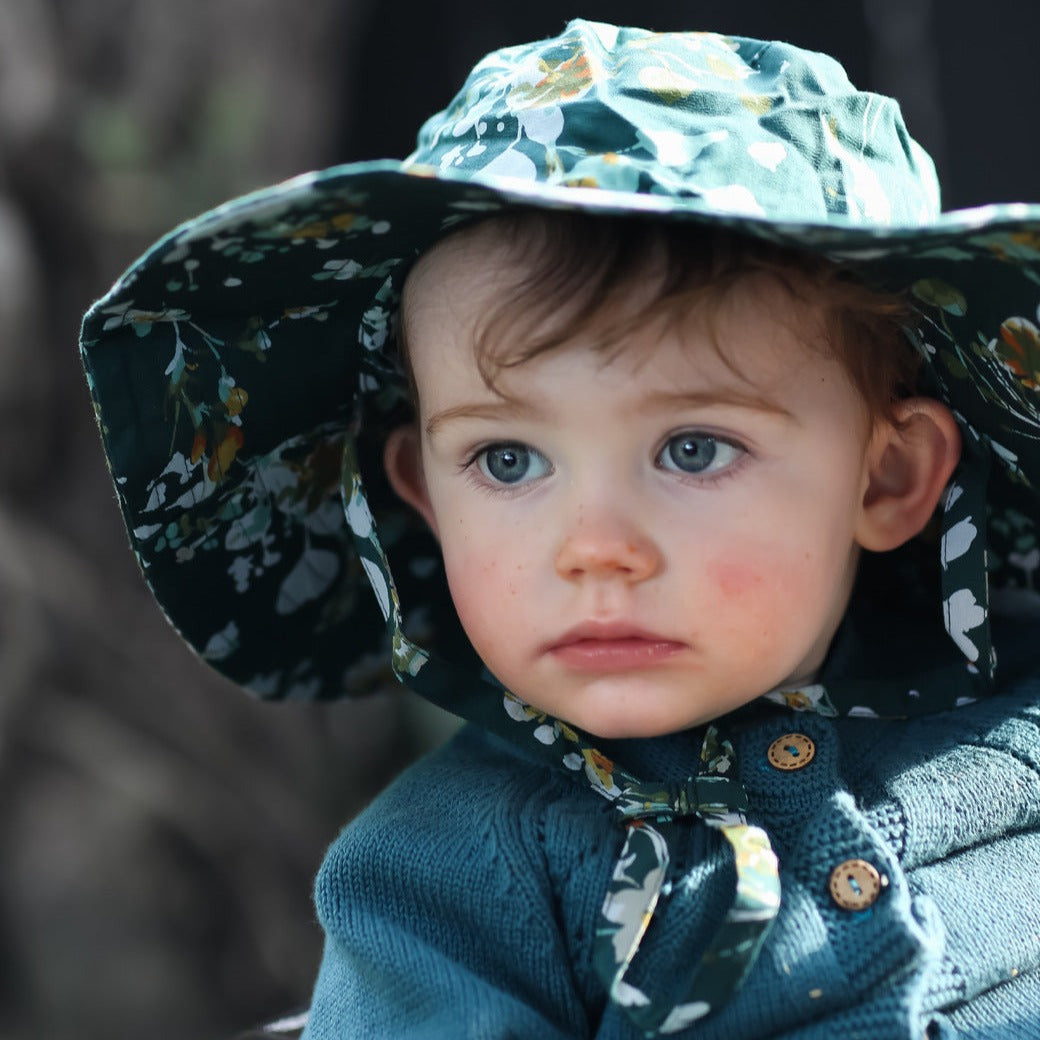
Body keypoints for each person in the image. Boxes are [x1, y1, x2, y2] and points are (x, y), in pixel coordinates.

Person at [80, 20, 1040, 1039]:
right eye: (506, 460)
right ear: (422, 492)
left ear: (886, 475)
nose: (594, 545)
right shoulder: (446, 877)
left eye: (691, 448)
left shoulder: (1014, 732)